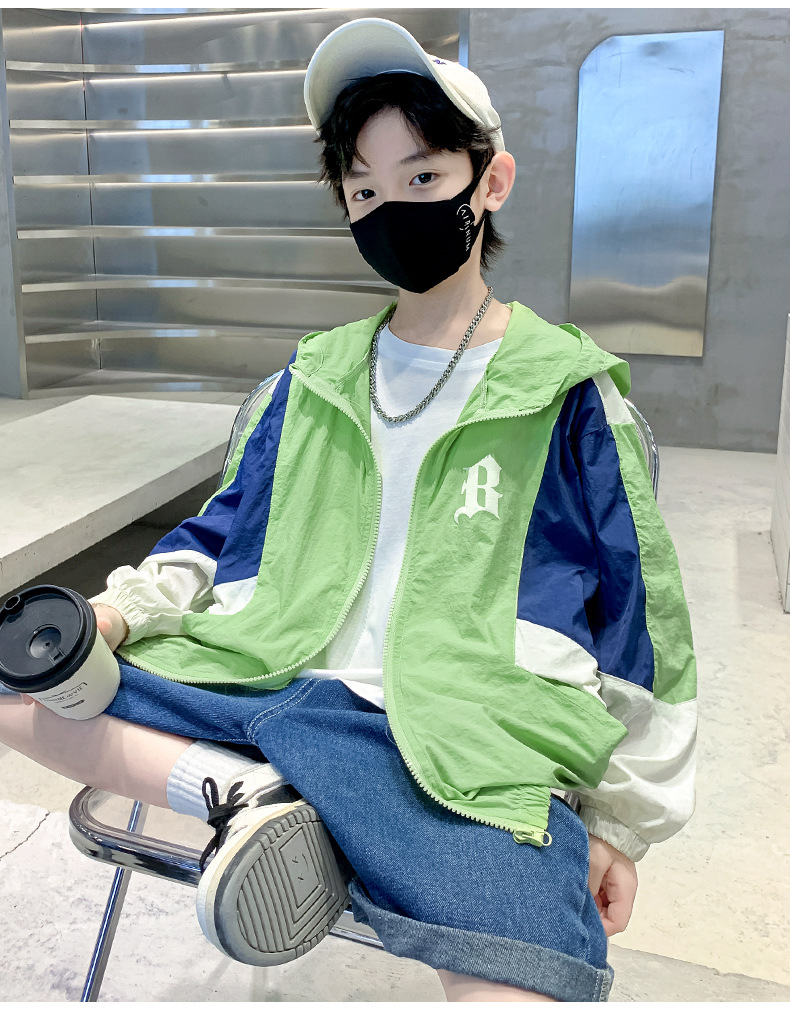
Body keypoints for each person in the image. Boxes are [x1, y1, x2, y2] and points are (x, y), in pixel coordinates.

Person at [0, 18, 696, 1003]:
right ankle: (247, 793)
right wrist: (117, 612)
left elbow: (643, 627)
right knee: (21, 686)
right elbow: (221, 536)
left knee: (523, 979)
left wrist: (621, 823)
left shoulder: (568, 391)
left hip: (463, 731)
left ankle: (298, 805)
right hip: (269, 676)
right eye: (364, 190)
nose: (390, 208)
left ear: (491, 182)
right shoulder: (314, 376)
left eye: (423, 177)